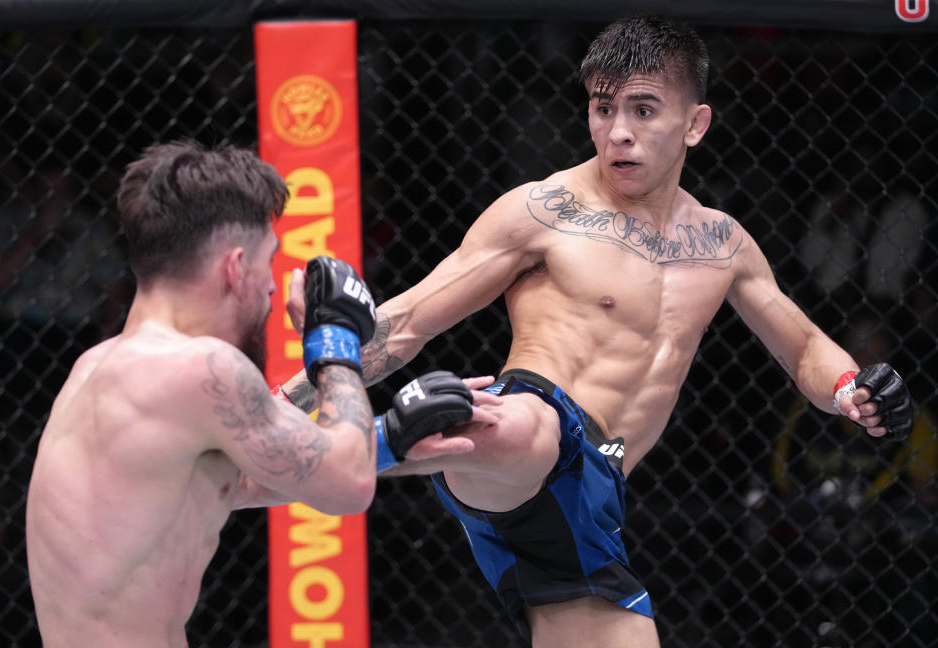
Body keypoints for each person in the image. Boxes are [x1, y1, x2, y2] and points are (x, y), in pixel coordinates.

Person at [280, 16, 914, 648]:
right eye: (603, 108)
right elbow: (410, 321)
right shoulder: (544, 211)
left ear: (695, 124)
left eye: (643, 110)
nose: (618, 133)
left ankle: (308, 452)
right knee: (515, 423)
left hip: (586, 505)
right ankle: (327, 448)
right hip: (527, 436)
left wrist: (849, 390)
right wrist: (296, 388)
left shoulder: (723, 243)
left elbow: (801, 345)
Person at [25, 141, 499, 648]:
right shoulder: (199, 367)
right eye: (269, 262)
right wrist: (333, 338)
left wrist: (392, 439)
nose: (274, 289)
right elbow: (347, 486)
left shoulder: (98, 367)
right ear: (235, 267)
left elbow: (236, 483)